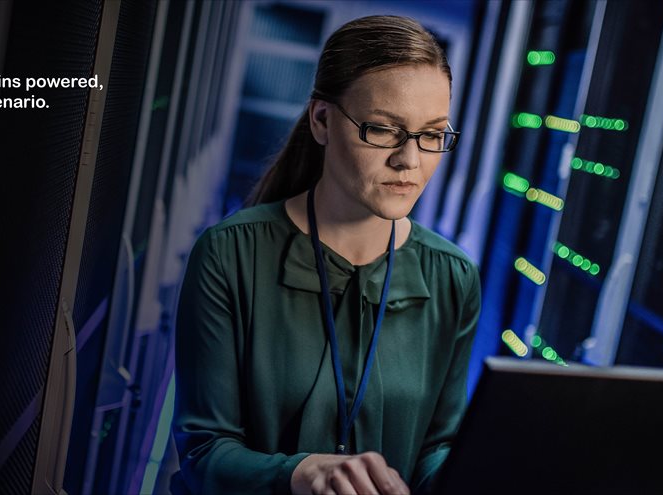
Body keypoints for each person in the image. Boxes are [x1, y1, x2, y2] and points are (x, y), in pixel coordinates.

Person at [171, 15, 480, 495]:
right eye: (383, 130)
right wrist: (302, 474)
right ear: (321, 121)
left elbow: (436, 447)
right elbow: (204, 453)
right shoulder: (230, 253)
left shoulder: (453, 277)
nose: (410, 161)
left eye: (432, 135)